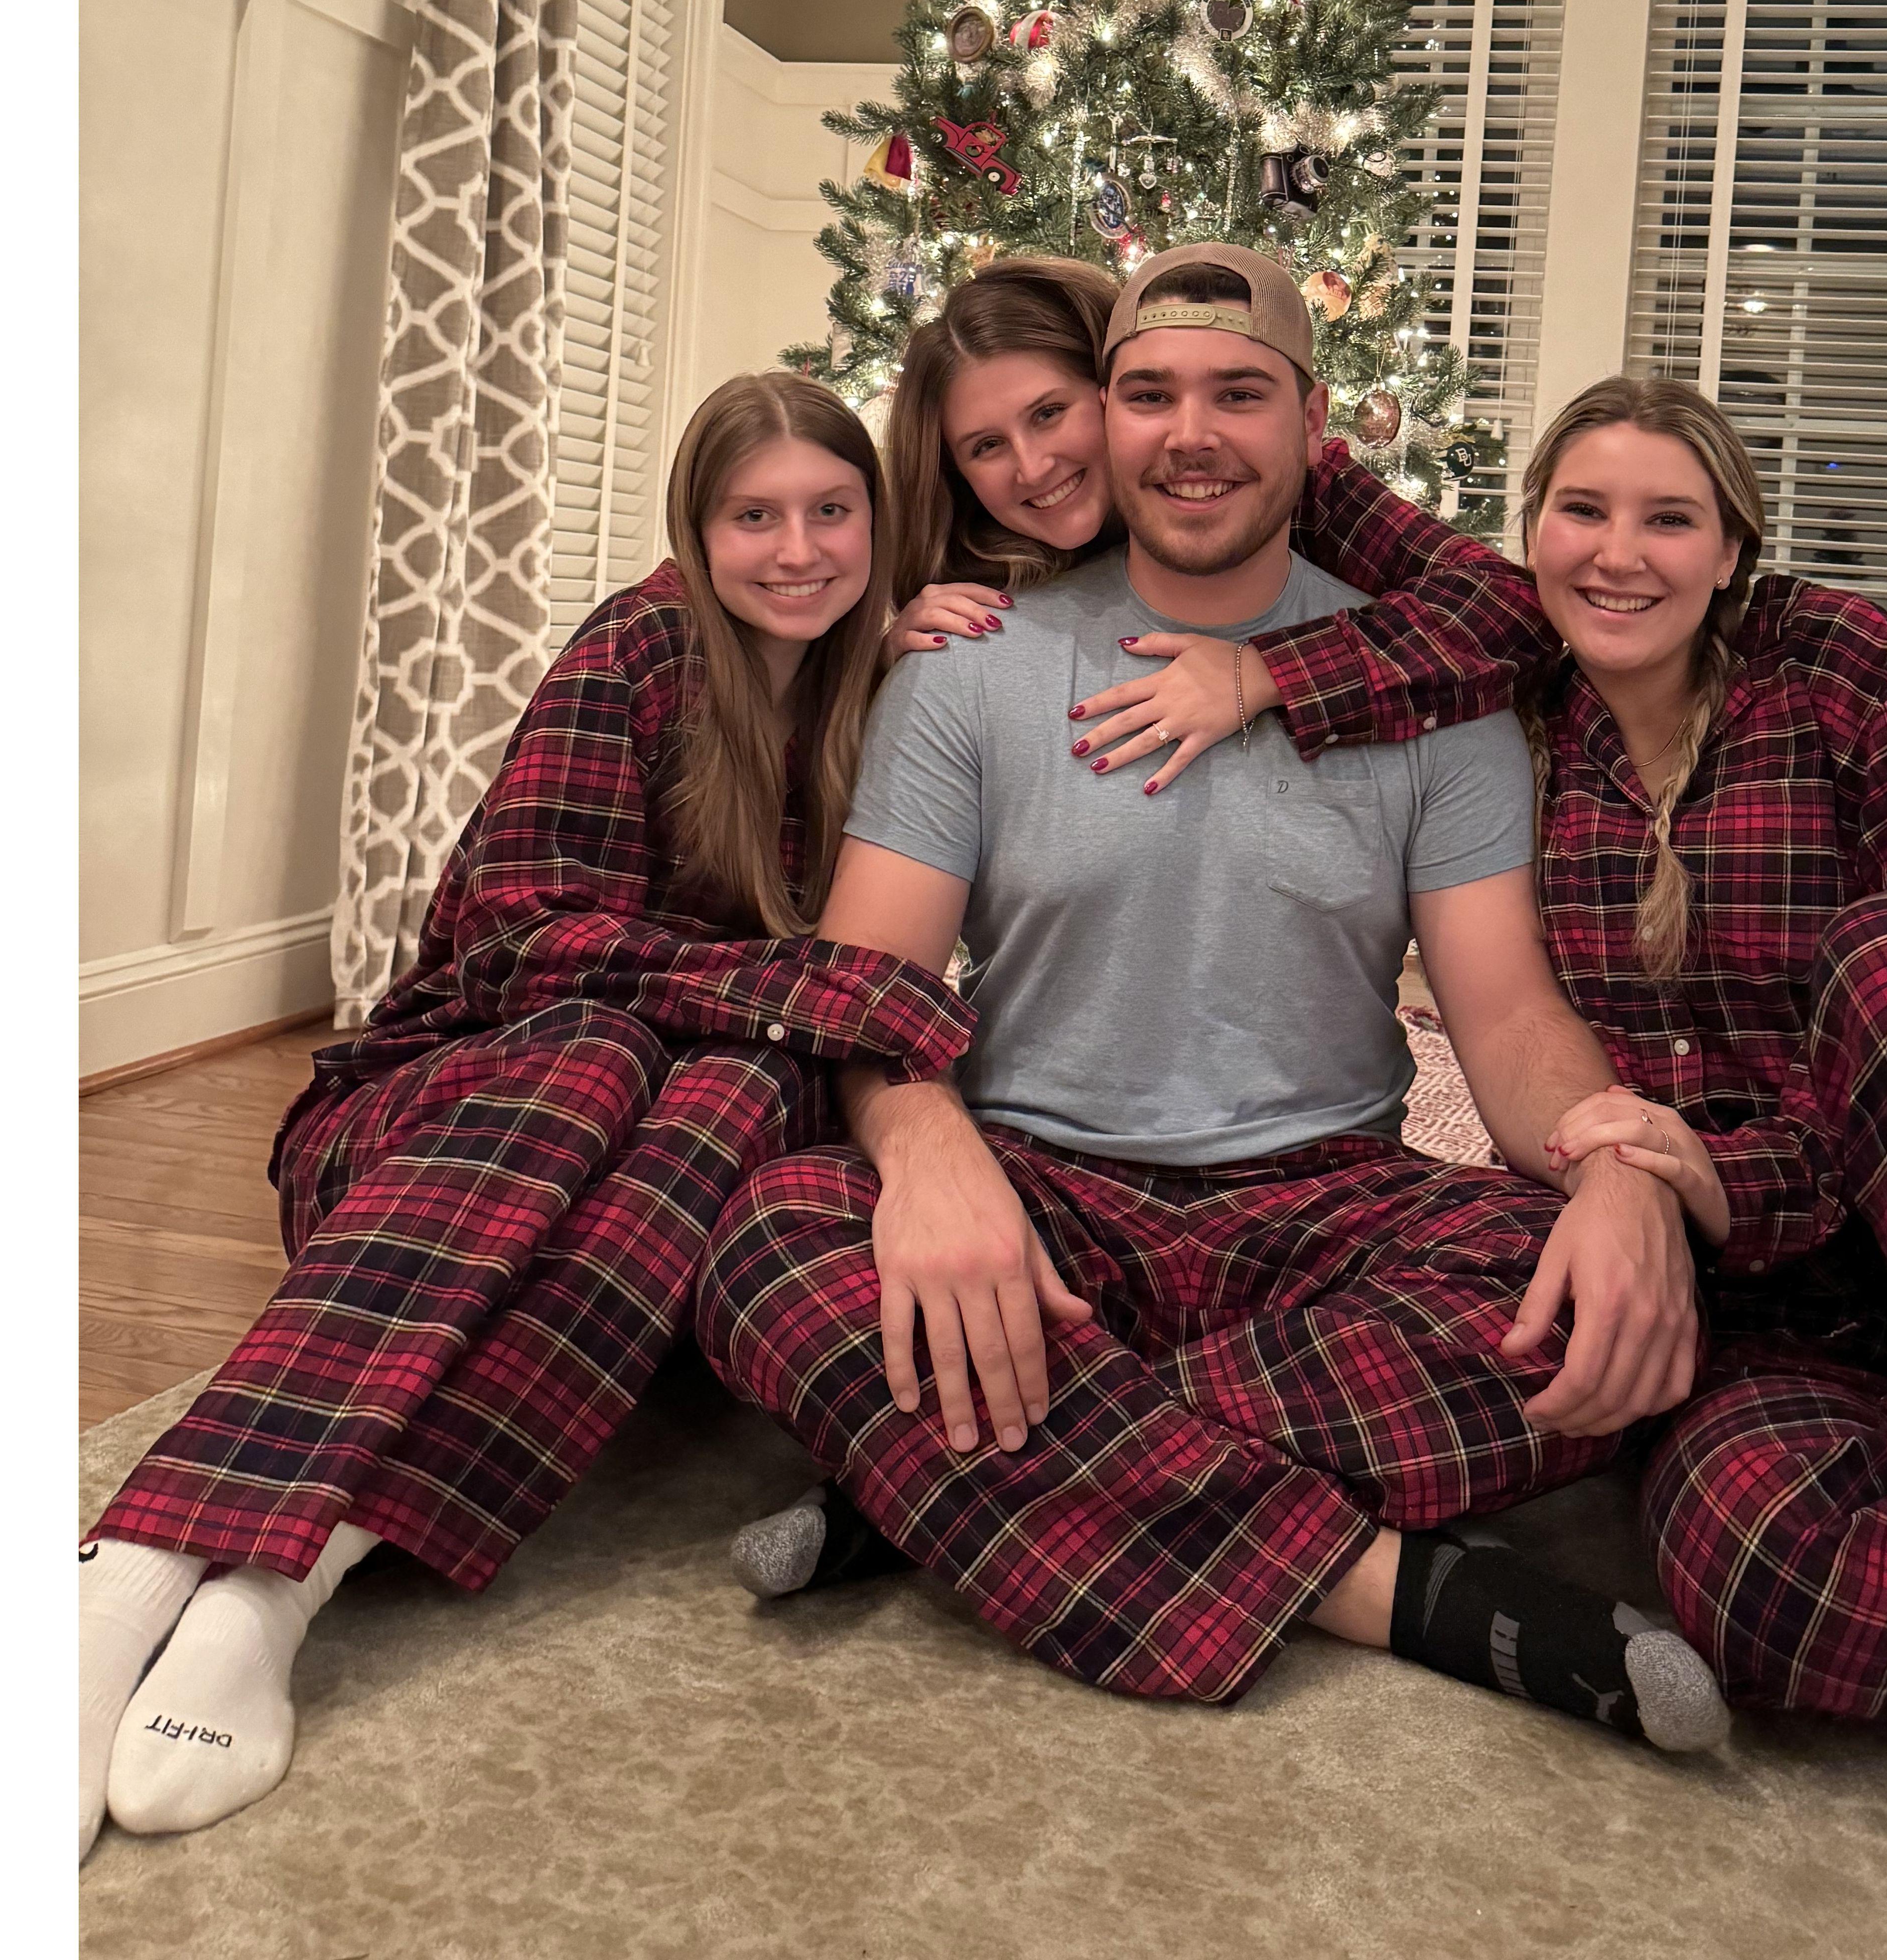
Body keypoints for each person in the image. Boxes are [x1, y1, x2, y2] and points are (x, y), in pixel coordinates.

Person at [1068, 372, 1887, 1910]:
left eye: (1670, 518)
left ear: (1733, 547)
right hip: (1765, 1309)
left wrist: (1707, 1174)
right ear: (1530, 539)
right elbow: (1280, 470)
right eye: (1581, 513)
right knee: (1761, 1576)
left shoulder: (1841, 666)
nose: (1621, 554)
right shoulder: (1507, 711)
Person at [694, 248, 1734, 1751]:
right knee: (775, 1239)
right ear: (1104, 422)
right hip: (1040, 1196)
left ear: (1314, 423)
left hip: (1321, 1206)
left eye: (1240, 394)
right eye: (1150, 394)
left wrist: (1618, 1163)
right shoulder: (972, 667)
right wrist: (926, 1158)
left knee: (1580, 1308)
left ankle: (938, 1484)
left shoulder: (1430, 695)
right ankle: (1404, 1594)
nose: (1193, 434)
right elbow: (868, 991)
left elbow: (1502, 1019)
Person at [77, 374, 981, 1861]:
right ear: (695, 529)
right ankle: (135, 1561)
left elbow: (805, 1010)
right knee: (607, 1039)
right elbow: (512, 930)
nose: (799, 550)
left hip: (638, 1194)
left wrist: (788, 1008)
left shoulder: (877, 688)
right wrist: (799, 986)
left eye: (834, 514)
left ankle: (271, 1587)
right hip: (444, 1132)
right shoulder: (639, 646)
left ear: (880, 528)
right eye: (756, 516)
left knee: (746, 1078)